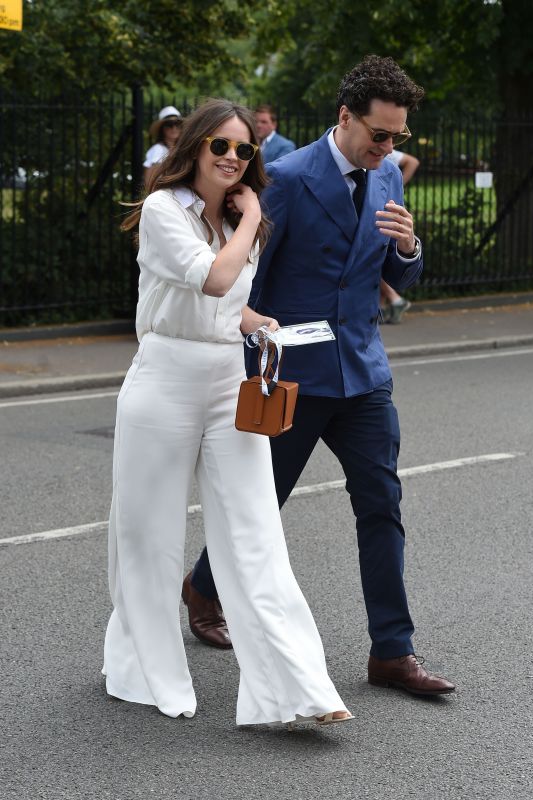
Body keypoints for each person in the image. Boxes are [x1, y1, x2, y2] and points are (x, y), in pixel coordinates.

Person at [184, 57, 456, 697]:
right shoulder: (284, 178)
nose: (387, 149)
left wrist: (410, 249)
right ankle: (204, 584)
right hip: (291, 375)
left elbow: (396, 274)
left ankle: (393, 652)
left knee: (382, 506)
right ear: (345, 117)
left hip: (364, 372)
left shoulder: (387, 172)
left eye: (397, 137)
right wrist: (255, 351)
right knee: (262, 502)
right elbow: (244, 282)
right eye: (378, 135)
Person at [102, 98, 352, 728]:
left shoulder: (237, 222)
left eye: (246, 150)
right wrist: (254, 218)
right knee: (149, 532)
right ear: (193, 149)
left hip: (226, 379)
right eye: (221, 146)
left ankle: (296, 688)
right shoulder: (165, 211)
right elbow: (209, 280)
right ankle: (148, 671)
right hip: (163, 378)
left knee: (255, 529)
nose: (235, 159)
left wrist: (256, 321)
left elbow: (225, 300)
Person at [380, 149, 421, 323]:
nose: (388, 146)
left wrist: (397, 186)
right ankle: (381, 308)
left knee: (374, 256)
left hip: (386, 207)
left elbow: (413, 161)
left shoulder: (380, 147)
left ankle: (394, 299)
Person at [143, 105, 183, 183]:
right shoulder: (158, 149)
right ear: (162, 129)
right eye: (169, 124)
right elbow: (150, 179)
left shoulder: (182, 148)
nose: (174, 128)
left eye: (177, 123)